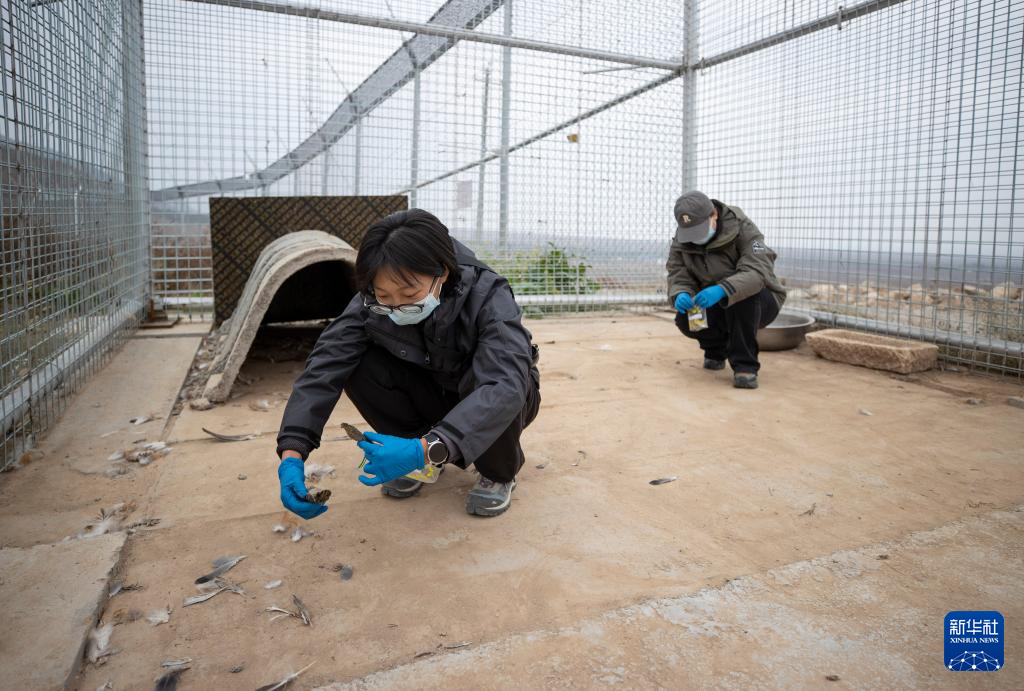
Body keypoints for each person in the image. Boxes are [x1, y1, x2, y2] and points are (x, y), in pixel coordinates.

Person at [275, 209, 540, 519]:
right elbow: (326, 363)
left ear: (442, 272)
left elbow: (504, 385)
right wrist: (292, 452)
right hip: (431, 389)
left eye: (409, 293)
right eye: (384, 296)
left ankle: (496, 473)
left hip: (492, 399)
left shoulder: (489, 295)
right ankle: (424, 459)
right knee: (359, 365)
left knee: (493, 382)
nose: (397, 305)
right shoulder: (370, 302)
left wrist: (424, 449)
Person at [666, 191, 786, 389]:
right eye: (691, 233)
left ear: (714, 214)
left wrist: (722, 290)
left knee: (742, 295)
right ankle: (716, 350)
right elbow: (678, 272)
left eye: (700, 230)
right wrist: (680, 293)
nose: (695, 238)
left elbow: (757, 272)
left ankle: (745, 366)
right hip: (716, 302)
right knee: (686, 319)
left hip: (759, 301)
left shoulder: (744, 229)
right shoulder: (681, 240)